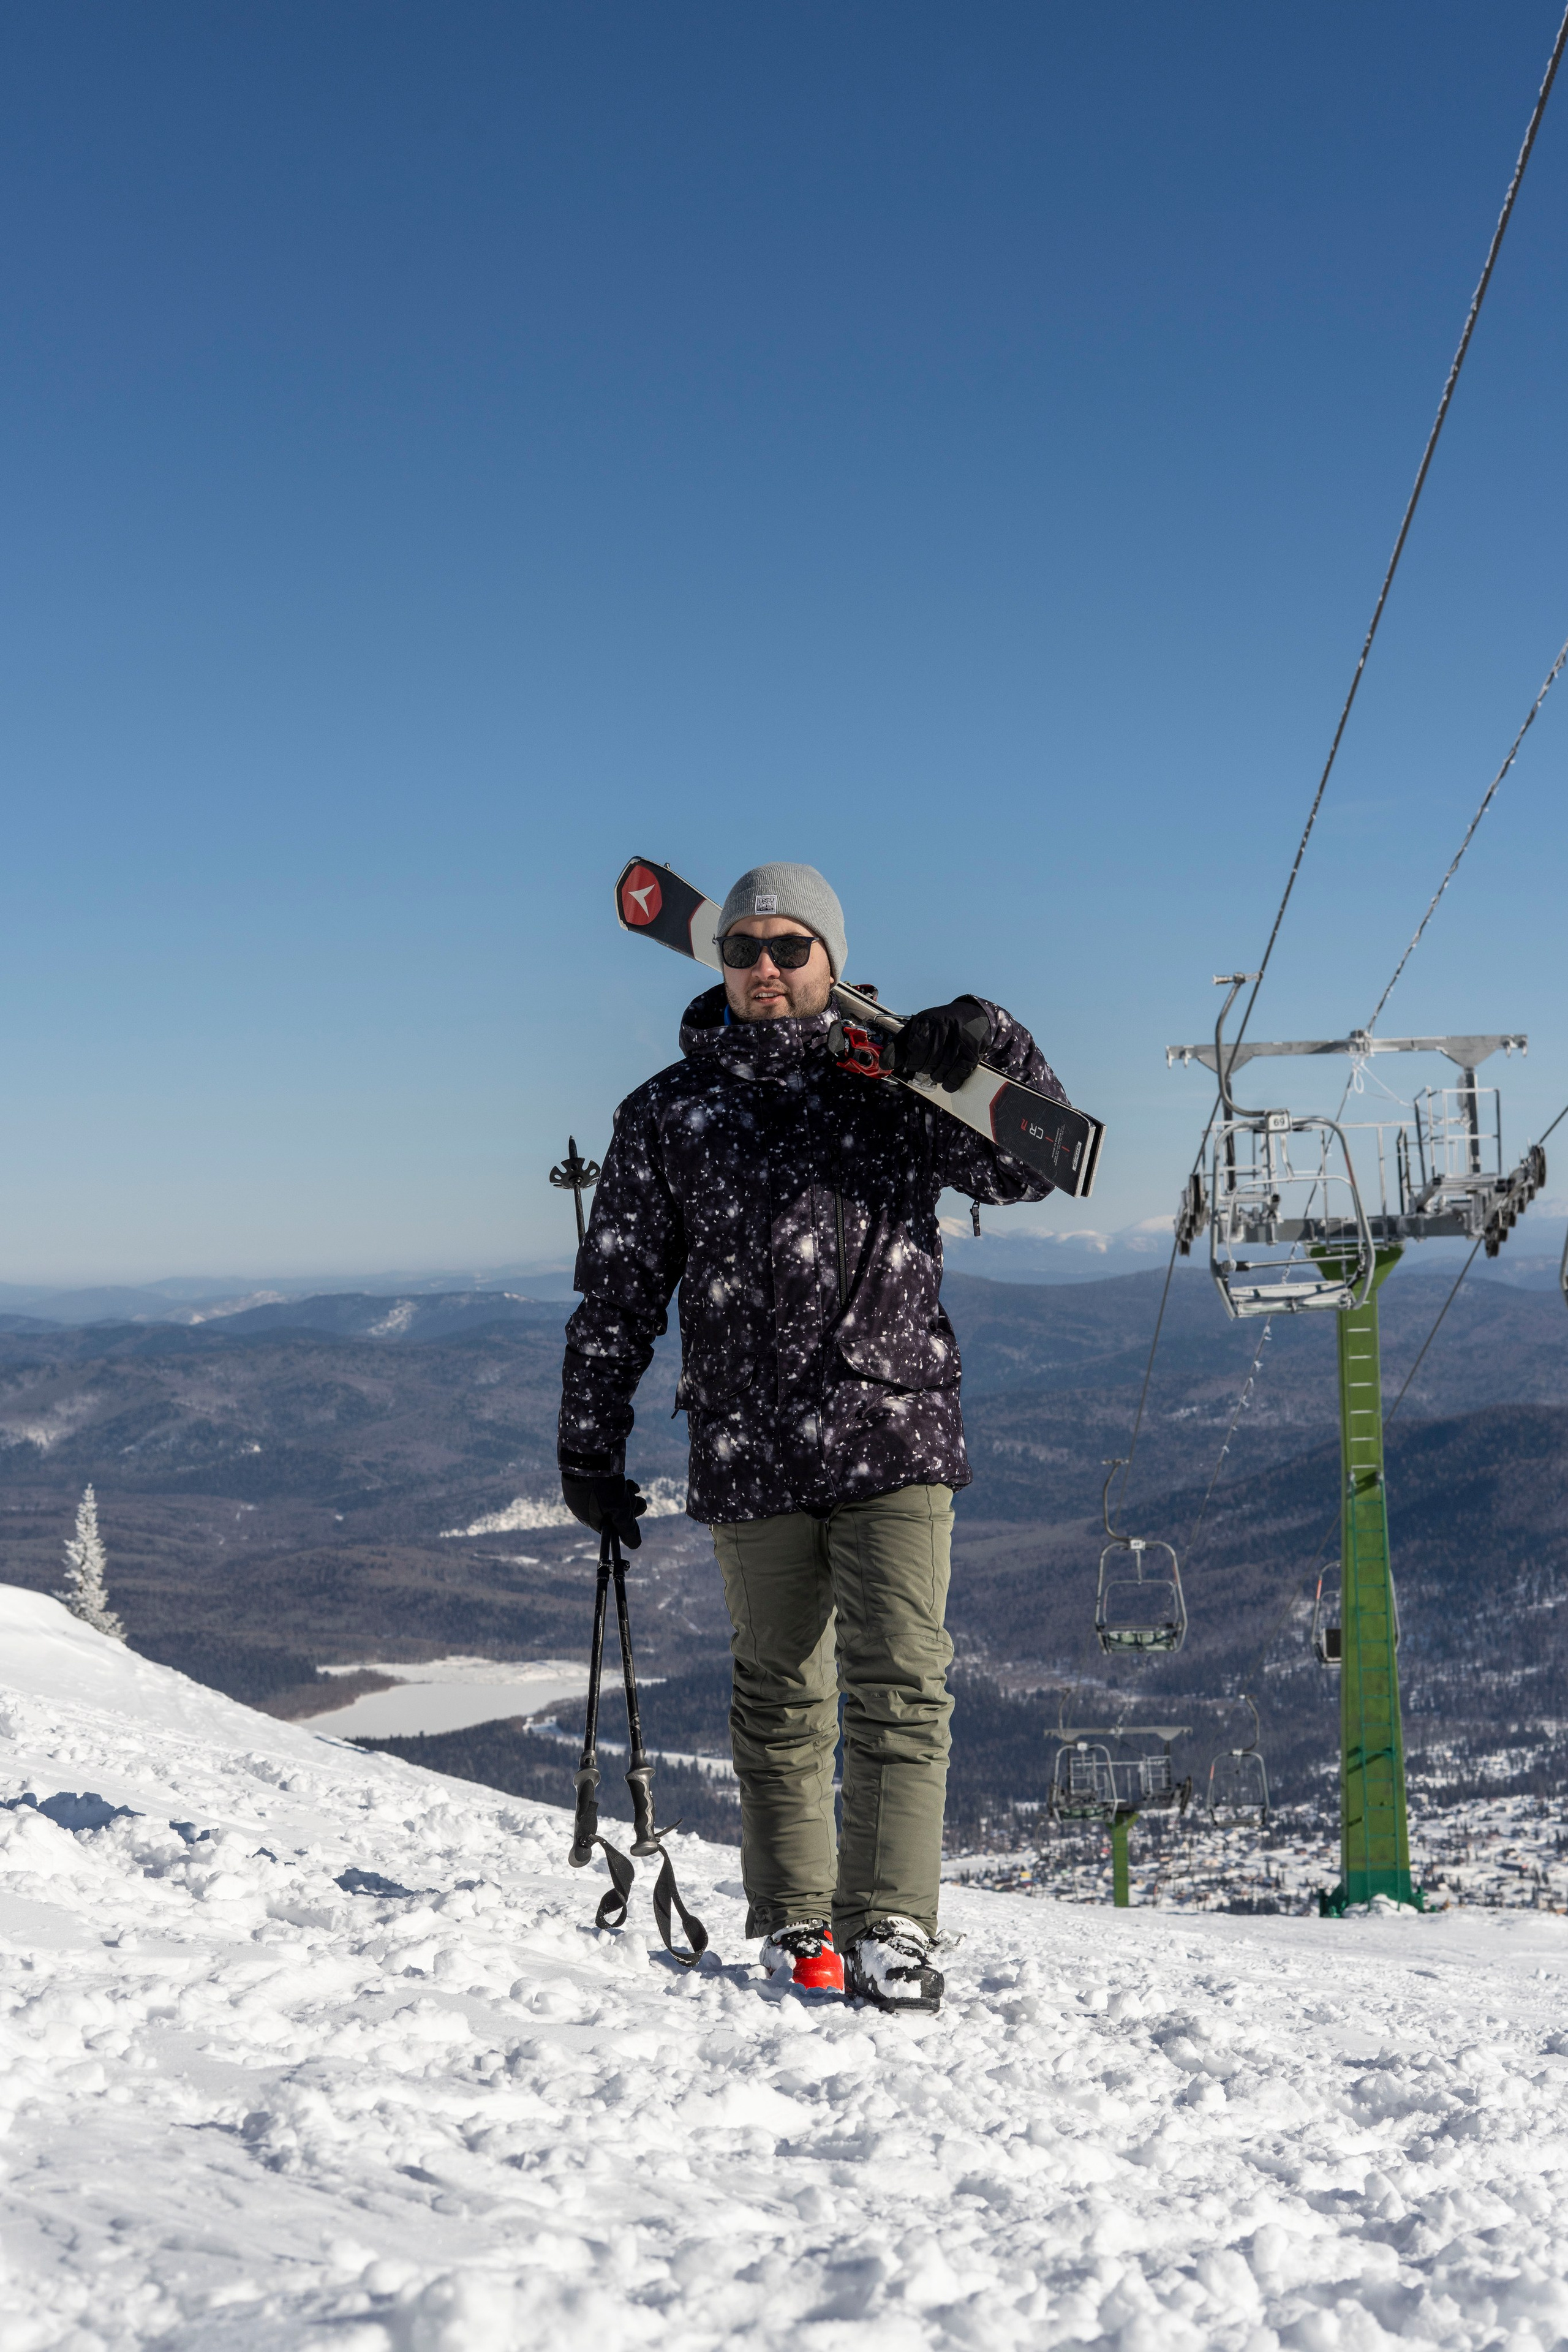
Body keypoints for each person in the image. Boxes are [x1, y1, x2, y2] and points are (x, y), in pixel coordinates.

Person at [558, 861, 1066, 2010]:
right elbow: (619, 1294)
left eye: (793, 949)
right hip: (750, 1446)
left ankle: (889, 1925)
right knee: (780, 1692)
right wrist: (588, 1447)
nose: (768, 969)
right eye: (745, 950)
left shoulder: (901, 1082)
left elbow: (1032, 1161)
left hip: (893, 1428)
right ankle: (798, 1922)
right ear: (720, 963)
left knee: (901, 1685)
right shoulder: (666, 1114)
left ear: (832, 962)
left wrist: (987, 1036)